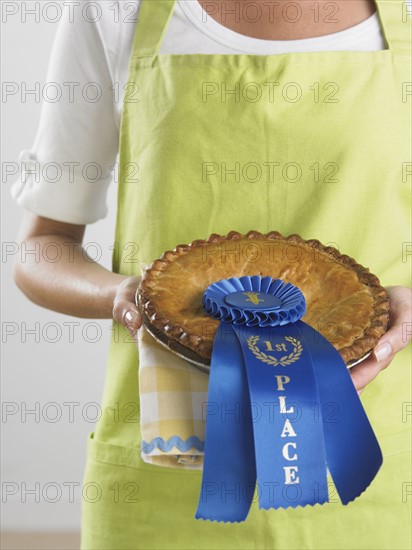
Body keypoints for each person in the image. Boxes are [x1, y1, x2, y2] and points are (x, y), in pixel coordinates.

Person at [12, 1, 412, 548]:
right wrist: (123, 296)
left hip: (371, 477)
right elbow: (41, 248)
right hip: (165, 473)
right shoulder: (111, 9)